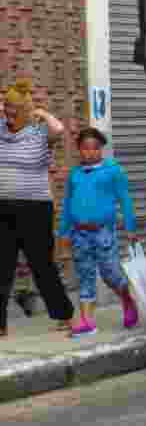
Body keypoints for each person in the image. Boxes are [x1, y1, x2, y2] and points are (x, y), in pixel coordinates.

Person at [0, 79, 75, 337]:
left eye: (14, 108)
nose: (8, 112)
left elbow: (59, 129)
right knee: (2, 266)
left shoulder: (38, 133)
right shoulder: (0, 130)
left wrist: (41, 112)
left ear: (25, 110)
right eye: (6, 107)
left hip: (35, 209)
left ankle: (63, 315)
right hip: (3, 207)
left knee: (42, 264)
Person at [58, 128, 140, 338]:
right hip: (79, 234)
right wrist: (63, 232)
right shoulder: (75, 174)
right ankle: (87, 321)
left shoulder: (113, 171)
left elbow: (125, 200)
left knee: (110, 274)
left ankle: (126, 299)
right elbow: (67, 204)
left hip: (103, 232)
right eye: (85, 148)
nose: (89, 152)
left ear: (101, 149)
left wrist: (130, 228)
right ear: (79, 150)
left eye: (94, 148)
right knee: (85, 275)